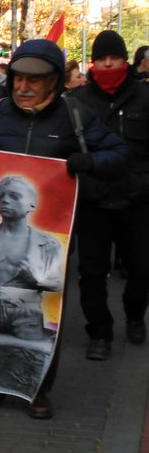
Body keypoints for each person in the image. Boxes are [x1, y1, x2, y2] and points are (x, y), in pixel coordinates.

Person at [0, 37, 129, 418]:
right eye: (18, 78)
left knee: (37, 311)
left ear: (53, 81)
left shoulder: (75, 115)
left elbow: (120, 155)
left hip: (49, 236)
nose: (23, 87)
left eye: (34, 80)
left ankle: (36, 387)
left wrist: (90, 163)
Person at [69, 30, 149, 357]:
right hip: (94, 201)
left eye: (113, 58)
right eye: (101, 58)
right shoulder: (77, 102)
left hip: (137, 200)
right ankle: (99, 334)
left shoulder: (145, 97)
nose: (107, 64)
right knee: (91, 272)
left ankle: (135, 314)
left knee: (141, 268)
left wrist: (142, 184)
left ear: (125, 61)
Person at [0, 175, 63, 341]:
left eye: (14, 196)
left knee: (25, 355)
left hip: (25, 318)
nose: (5, 201)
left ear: (31, 205)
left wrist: (37, 280)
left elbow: (57, 284)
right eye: (0, 196)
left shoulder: (47, 244)